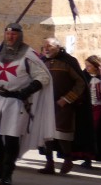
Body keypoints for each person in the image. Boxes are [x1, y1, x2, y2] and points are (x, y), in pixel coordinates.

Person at [0, 23, 53, 185]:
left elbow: (43, 77)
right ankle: (3, 163)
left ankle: (7, 173)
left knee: (11, 138)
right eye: (8, 34)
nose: (10, 37)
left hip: (15, 101)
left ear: (20, 35)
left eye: (14, 34)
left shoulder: (28, 54)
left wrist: (27, 91)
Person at [39, 38, 92, 175]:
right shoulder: (41, 61)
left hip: (63, 104)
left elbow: (80, 83)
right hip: (45, 103)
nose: (46, 48)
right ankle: (49, 163)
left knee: (62, 133)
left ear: (58, 47)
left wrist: (67, 99)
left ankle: (68, 160)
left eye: (49, 46)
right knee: (46, 135)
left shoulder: (69, 62)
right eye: (44, 46)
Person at [81, 55, 101, 167]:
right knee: (86, 133)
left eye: (89, 66)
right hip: (87, 108)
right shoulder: (85, 76)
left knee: (96, 133)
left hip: (99, 109)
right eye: (86, 66)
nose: (87, 68)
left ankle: (94, 156)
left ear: (95, 66)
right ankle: (86, 158)